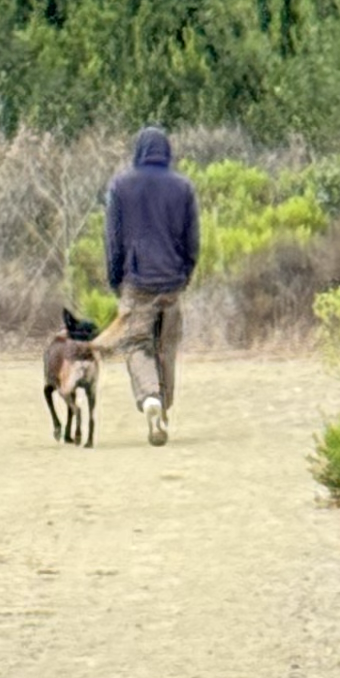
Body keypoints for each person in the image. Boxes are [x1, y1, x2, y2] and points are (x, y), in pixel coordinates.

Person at [96, 126, 198, 445]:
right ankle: (163, 407)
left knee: (137, 345)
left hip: (137, 282)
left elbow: (113, 240)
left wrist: (116, 279)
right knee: (165, 348)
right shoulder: (183, 188)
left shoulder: (121, 186)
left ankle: (150, 397)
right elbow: (192, 240)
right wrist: (185, 274)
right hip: (171, 282)